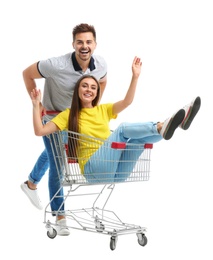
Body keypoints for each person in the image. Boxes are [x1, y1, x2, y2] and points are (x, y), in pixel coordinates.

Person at [30, 56, 201, 185]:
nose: (89, 90)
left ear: (97, 92)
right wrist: (36, 106)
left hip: (116, 172)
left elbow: (127, 102)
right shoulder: (68, 114)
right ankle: (161, 126)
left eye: (93, 87)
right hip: (93, 169)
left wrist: (135, 77)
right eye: (84, 86)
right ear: (78, 91)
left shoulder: (103, 109)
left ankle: (172, 125)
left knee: (138, 140)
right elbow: (40, 131)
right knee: (123, 129)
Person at [21, 23, 107, 236]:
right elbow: (27, 73)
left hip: (75, 119)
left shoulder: (101, 65)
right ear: (73, 44)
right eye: (80, 42)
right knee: (58, 161)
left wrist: (93, 108)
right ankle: (60, 216)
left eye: (88, 42)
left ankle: (31, 183)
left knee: (53, 153)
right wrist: (38, 106)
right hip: (53, 116)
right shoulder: (56, 65)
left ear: (95, 44)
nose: (84, 46)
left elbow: (103, 81)